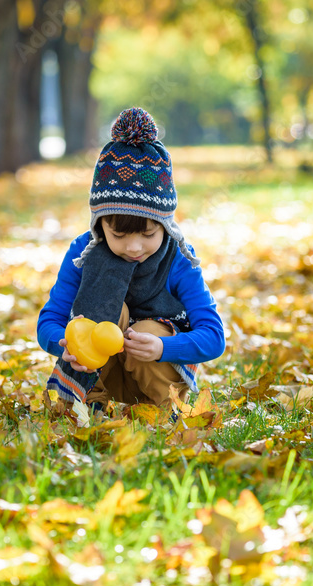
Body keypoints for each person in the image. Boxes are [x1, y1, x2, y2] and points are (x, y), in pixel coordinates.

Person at [37, 107, 225, 411]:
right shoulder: (83, 254)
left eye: (148, 234)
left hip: (158, 373)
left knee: (147, 331)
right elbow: (48, 321)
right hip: (102, 372)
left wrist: (164, 347)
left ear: (165, 224)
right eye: (119, 235)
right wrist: (65, 342)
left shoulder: (178, 260)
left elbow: (214, 337)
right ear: (100, 224)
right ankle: (88, 404)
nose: (134, 247)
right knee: (106, 310)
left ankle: (164, 410)